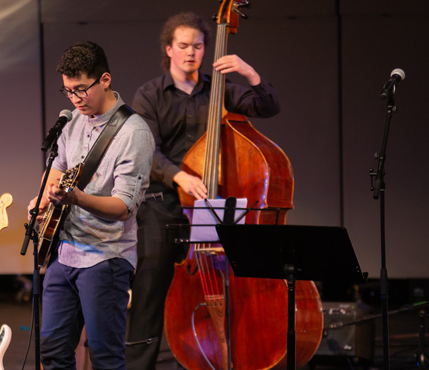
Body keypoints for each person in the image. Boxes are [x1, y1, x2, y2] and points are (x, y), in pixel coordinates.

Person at [124, 12, 281, 369]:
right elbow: (144, 151)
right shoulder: (149, 95)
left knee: (225, 292)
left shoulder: (220, 90)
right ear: (169, 49)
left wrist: (249, 72)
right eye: (183, 46)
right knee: (149, 296)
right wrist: (179, 176)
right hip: (163, 205)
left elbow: (269, 107)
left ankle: (213, 360)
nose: (191, 52)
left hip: (213, 207)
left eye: (198, 46)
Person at [28, 41, 154, 370]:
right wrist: (40, 201)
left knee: (105, 359)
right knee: (52, 352)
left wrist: (76, 197)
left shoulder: (134, 133)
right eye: (68, 91)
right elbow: (56, 171)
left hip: (107, 258)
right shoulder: (71, 123)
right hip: (64, 253)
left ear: (105, 80)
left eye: (81, 90)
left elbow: (125, 207)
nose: (74, 99)